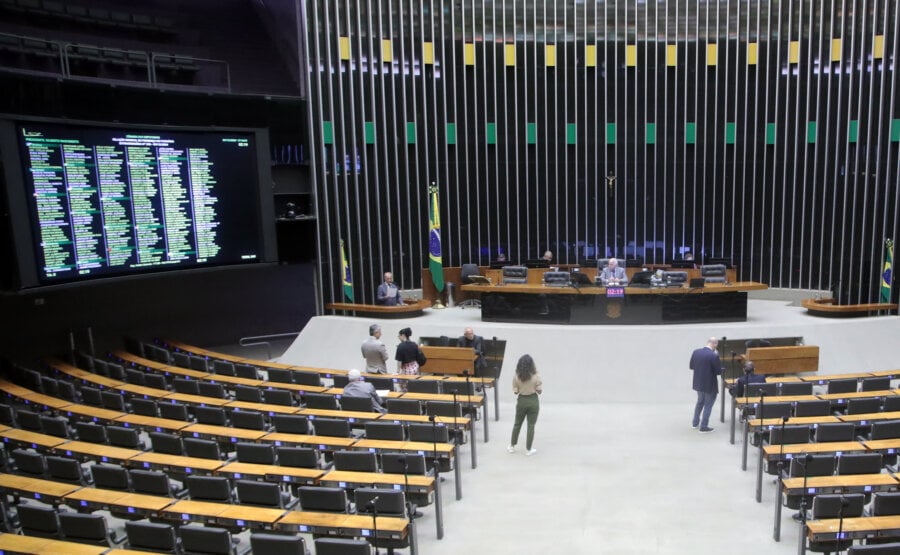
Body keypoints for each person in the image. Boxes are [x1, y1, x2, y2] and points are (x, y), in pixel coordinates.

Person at [508, 354, 542, 456]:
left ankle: (512, 446)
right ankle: (528, 449)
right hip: (533, 401)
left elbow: (515, 392)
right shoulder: (536, 376)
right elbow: (539, 391)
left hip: (522, 401)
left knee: (517, 424)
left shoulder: (516, 377)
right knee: (531, 426)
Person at [690, 337, 723, 433]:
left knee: (700, 402)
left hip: (698, 383)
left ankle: (695, 423)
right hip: (710, 385)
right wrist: (717, 358)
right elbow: (718, 371)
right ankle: (704, 426)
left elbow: (691, 366)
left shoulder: (696, 352)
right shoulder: (713, 355)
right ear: (715, 344)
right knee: (708, 405)